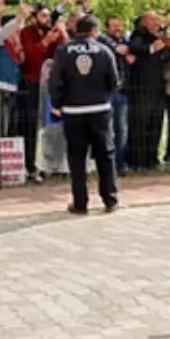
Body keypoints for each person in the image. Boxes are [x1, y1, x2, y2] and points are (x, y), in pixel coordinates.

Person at [48, 15, 119, 214]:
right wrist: (104, 96)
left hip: (73, 111)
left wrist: (58, 103)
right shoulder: (104, 51)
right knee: (105, 155)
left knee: (77, 158)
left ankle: (80, 203)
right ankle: (110, 199)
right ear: (94, 31)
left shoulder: (63, 52)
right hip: (100, 110)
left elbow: (55, 82)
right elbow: (114, 81)